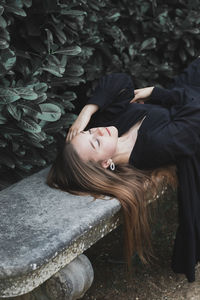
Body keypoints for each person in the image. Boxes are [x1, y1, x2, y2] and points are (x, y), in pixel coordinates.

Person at [47, 57, 200, 282]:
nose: (97, 132)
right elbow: (197, 110)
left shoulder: (112, 126)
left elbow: (120, 82)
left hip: (184, 91)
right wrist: (155, 93)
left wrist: (86, 114)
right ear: (105, 164)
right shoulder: (156, 145)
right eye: (94, 142)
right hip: (188, 95)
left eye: (89, 132)